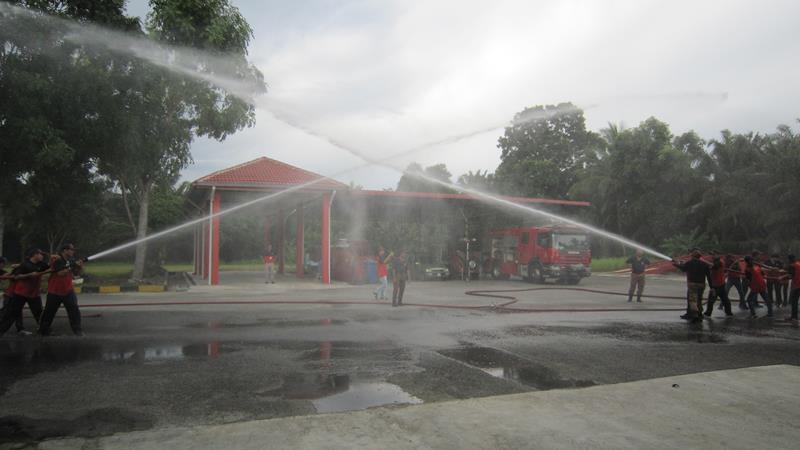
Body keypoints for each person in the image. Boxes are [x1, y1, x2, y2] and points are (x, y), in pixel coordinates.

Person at [0, 248, 48, 336]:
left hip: (34, 294)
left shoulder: (42, 264)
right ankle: (2, 330)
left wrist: (56, 260)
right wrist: (29, 275)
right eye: (40, 254)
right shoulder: (24, 265)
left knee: (39, 313)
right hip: (20, 293)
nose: (42, 256)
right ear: (35, 255)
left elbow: (52, 268)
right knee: (12, 313)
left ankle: (45, 331)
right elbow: (16, 277)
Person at [39, 243, 84, 336]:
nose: (73, 251)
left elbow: (77, 273)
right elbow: (60, 273)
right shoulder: (57, 259)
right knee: (49, 312)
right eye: (71, 249)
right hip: (55, 291)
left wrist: (79, 267)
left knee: (74, 310)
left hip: (68, 290)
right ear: (65, 250)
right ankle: (43, 330)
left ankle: (77, 330)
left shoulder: (71, 260)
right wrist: (72, 266)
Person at [672, 249, 711, 323]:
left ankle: (695, 315)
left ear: (692, 256)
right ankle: (699, 314)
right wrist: (712, 287)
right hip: (702, 284)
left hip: (692, 284)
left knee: (692, 300)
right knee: (699, 300)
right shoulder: (705, 264)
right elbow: (709, 276)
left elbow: (683, 268)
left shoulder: (690, 262)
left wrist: (675, 264)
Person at [785, 254, 800, 323]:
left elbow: (790, 276)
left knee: (794, 302)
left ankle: (794, 317)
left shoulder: (791, 266)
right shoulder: (798, 264)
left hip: (796, 285)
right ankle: (794, 317)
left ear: (789, 259)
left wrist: (782, 277)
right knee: (795, 301)